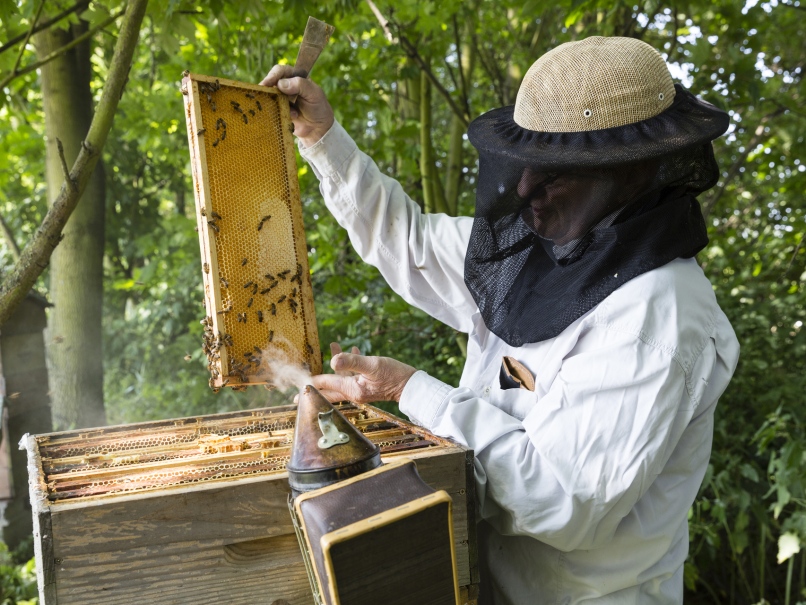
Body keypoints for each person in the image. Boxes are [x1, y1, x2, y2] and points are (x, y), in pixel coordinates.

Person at [262, 36, 739, 604]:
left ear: (627, 174)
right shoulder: (541, 243)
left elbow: (562, 501)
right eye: (527, 161)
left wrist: (409, 389)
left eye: (554, 171)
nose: (525, 188)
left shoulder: (659, 316)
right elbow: (410, 241)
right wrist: (321, 138)